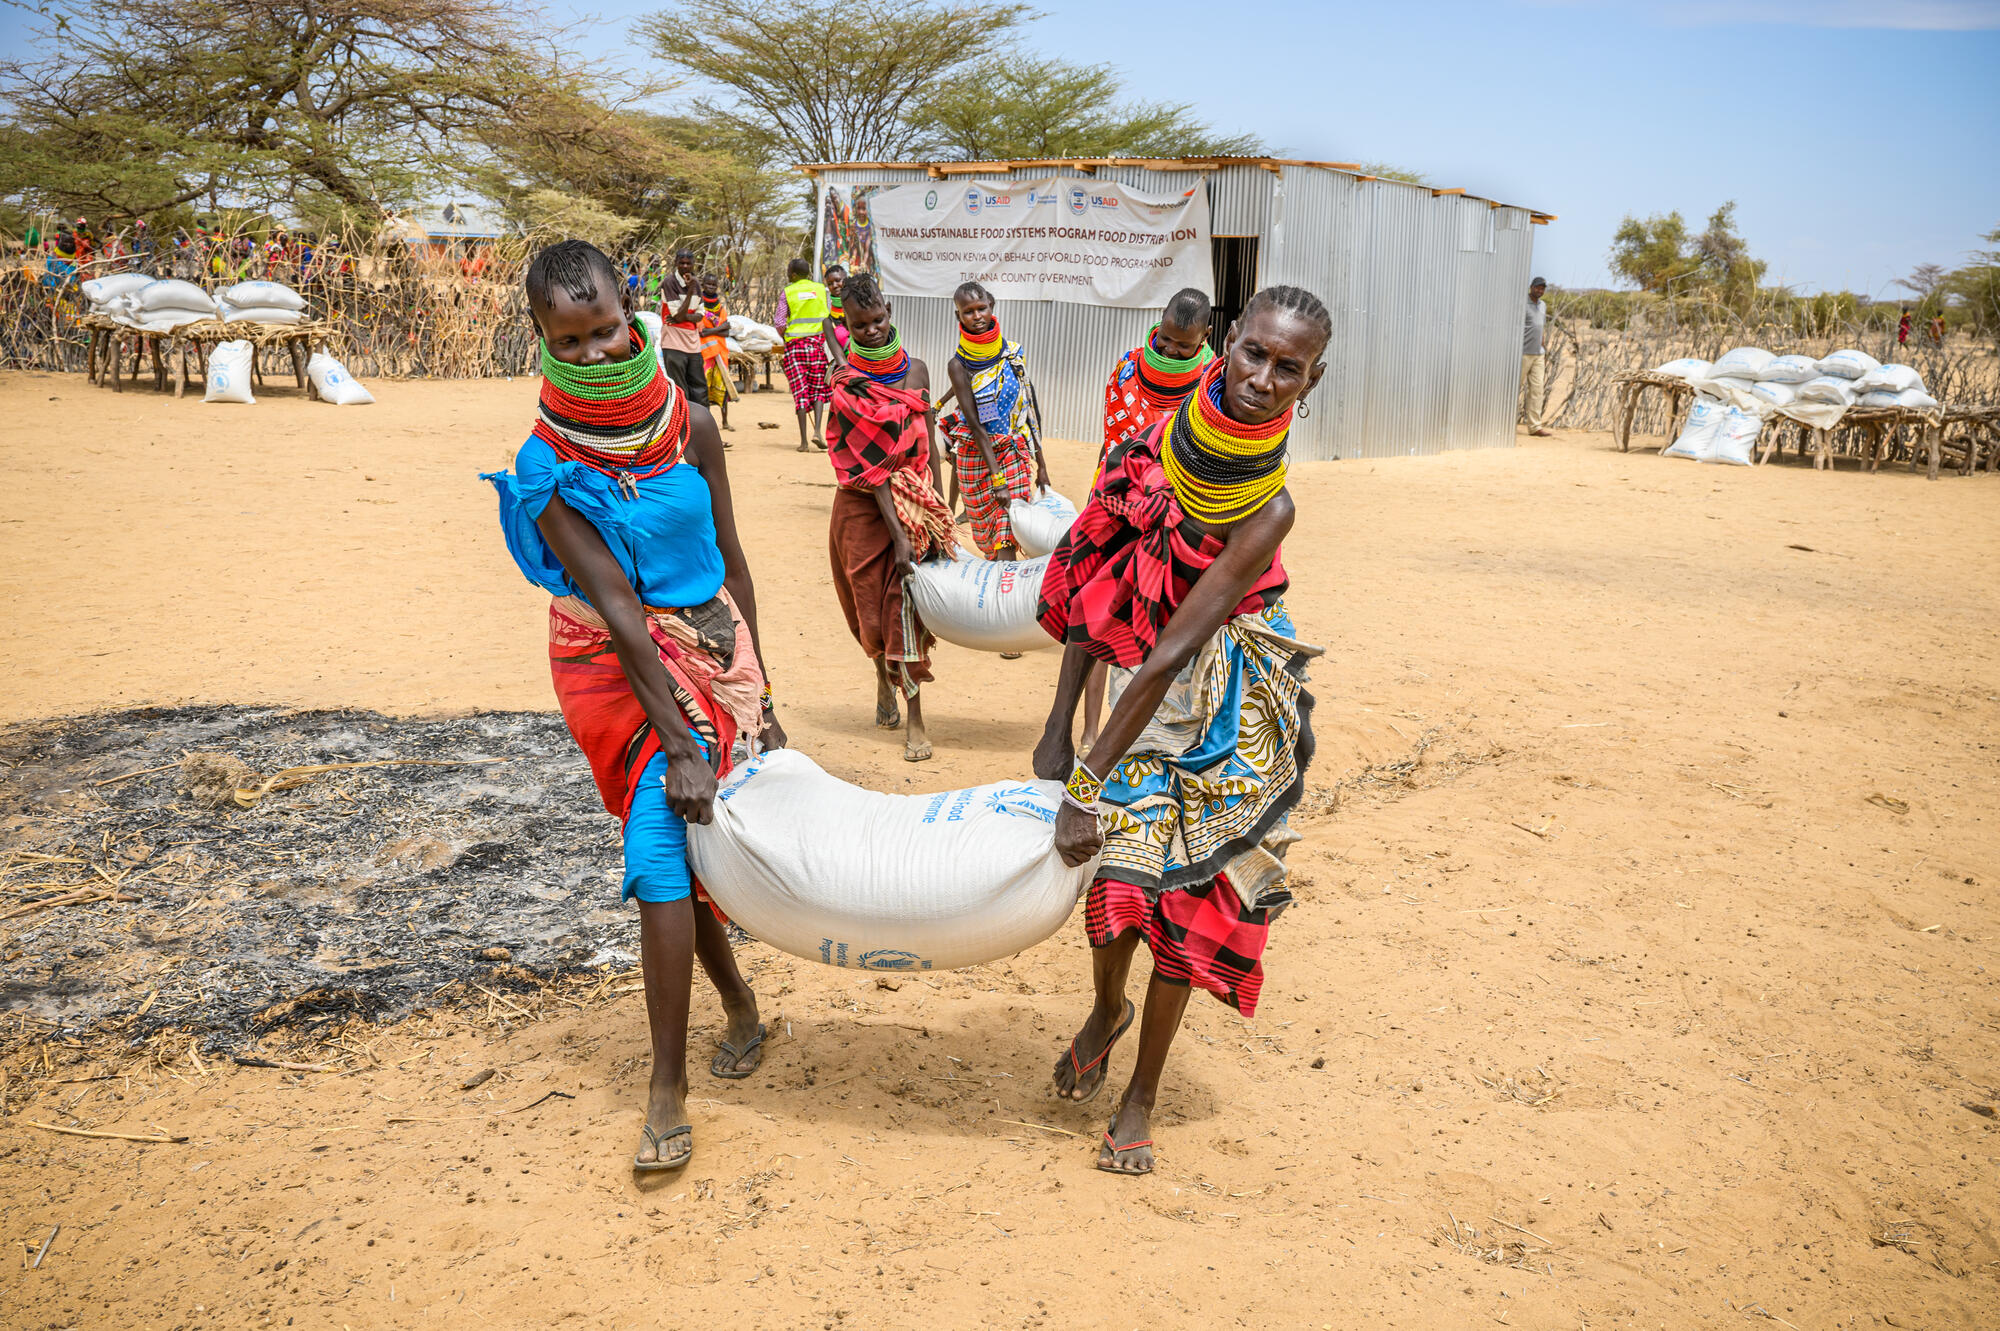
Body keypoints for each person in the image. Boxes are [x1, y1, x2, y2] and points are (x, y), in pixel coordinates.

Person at [482, 239, 784, 1173]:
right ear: (537, 338)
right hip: (615, 670)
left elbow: (732, 559)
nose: (594, 355)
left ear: (632, 311)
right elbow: (617, 610)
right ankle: (667, 1085)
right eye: (566, 342)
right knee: (663, 831)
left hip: (716, 646)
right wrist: (680, 741)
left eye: (605, 330)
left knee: (690, 842)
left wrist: (764, 692)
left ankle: (736, 1003)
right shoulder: (544, 468)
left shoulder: (691, 421)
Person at [1033, 286, 1326, 1177]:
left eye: (1290, 369)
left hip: (1230, 706)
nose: (1264, 380)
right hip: (1137, 693)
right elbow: (1095, 586)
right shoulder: (1147, 447)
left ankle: (1142, 1095)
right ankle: (1106, 1011)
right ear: (1228, 342)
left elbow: (1173, 649)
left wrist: (1086, 779)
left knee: (1191, 910)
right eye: (1255, 354)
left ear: (1311, 383)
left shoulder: (1267, 507)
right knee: (1115, 897)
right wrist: (1058, 725)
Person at [823, 273, 955, 763]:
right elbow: (871, 469)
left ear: (890, 311)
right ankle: (881, 676)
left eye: (877, 319)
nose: (872, 331)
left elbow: (929, 442)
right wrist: (898, 535)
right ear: (847, 327)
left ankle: (915, 716)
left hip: (916, 504)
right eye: (860, 326)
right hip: (862, 508)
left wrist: (939, 508)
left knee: (906, 609)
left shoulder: (917, 371)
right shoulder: (846, 387)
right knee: (871, 613)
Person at [1082, 289, 1218, 750]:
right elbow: (1121, 444)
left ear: (1206, 336)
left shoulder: (1215, 385)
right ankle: (1087, 731)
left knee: (1169, 628)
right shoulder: (1127, 367)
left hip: (1185, 518)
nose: (1172, 352)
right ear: (1156, 324)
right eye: (1166, 340)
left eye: (1185, 346)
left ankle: (1158, 735)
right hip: (1123, 503)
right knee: (1102, 615)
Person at [939, 281, 1047, 560]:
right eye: (968, 311)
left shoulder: (1012, 353)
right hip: (976, 457)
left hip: (1012, 451)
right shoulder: (958, 365)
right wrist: (996, 478)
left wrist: (1042, 465)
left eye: (981, 308)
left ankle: (1006, 592)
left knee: (1007, 534)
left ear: (992, 306)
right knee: (991, 540)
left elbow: (1029, 406)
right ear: (958, 316)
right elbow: (975, 425)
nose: (977, 316)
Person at [775, 258, 833, 452]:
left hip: (795, 348)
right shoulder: (820, 290)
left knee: (800, 392)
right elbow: (827, 315)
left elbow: (780, 323)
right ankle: (817, 430)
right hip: (816, 346)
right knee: (817, 389)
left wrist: (785, 336)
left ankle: (804, 442)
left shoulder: (788, 292)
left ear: (792, 274)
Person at [655, 248, 710, 408]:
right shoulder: (670, 282)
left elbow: (700, 315)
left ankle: (703, 425)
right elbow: (677, 316)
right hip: (673, 344)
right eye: (682, 263)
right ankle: (684, 426)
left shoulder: (696, 284)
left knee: (699, 388)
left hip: (693, 345)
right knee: (680, 389)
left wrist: (683, 316)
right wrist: (690, 293)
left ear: (693, 264)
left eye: (688, 263)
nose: (685, 266)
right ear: (676, 264)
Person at [698, 275, 737, 434]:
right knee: (704, 388)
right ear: (703, 285)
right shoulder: (700, 307)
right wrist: (719, 329)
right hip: (705, 353)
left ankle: (725, 421)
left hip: (720, 353)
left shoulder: (720, 308)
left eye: (714, 284)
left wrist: (712, 331)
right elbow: (701, 331)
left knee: (723, 387)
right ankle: (706, 420)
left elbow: (727, 332)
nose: (711, 287)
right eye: (708, 284)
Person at [1520, 276, 1551, 436]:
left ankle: (1535, 427)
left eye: (1542, 288)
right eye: (1537, 287)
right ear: (1531, 287)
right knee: (1515, 389)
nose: (1540, 290)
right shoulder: (1522, 303)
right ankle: (1503, 423)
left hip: (1538, 353)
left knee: (1537, 390)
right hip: (1523, 353)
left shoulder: (1543, 305)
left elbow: (1540, 326)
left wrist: (1543, 342)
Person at [823, 263, 851, 353]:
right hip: (847, 363)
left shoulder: (862, 306)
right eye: (830, 284)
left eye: (838, 280)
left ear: (846, 279)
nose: (834, 285)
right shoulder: (829, 321)